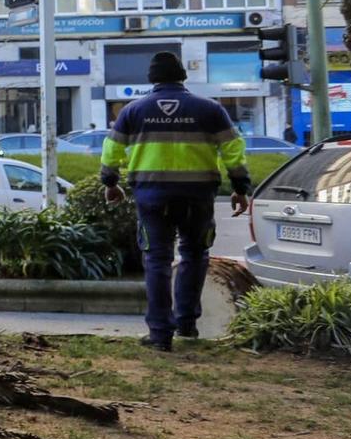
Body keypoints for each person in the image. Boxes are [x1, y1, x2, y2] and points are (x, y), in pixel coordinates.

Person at [101, 51, 251, 351]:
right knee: (194, 255)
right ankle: (186, 323)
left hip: (152, 196)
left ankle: (160, 334)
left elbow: (112, 150)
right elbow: (233, 150)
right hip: (197, 196)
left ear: (152, 79)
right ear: (182, 76)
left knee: (156, 259)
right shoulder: (210, 109)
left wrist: (111, 182)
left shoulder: (133, 111)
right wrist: (240, 187)